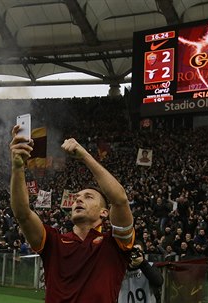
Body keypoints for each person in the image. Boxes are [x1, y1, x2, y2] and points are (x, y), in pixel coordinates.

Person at [9, 125, 135, 303]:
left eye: (88, 197)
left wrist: (84, 156)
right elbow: (22, 213)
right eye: (76, 198)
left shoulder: (116, 243)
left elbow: (120, 200)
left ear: (104, 212)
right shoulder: (53, 241)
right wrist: (17, 167)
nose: (78, 200)